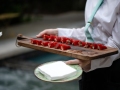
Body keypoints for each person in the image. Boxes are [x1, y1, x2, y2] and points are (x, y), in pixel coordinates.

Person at [36, 0, 120, 90]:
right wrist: (58, 34)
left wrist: (92, 62)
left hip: (113, 72)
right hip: (89, 68)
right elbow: (90, 32)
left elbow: (116, 44)